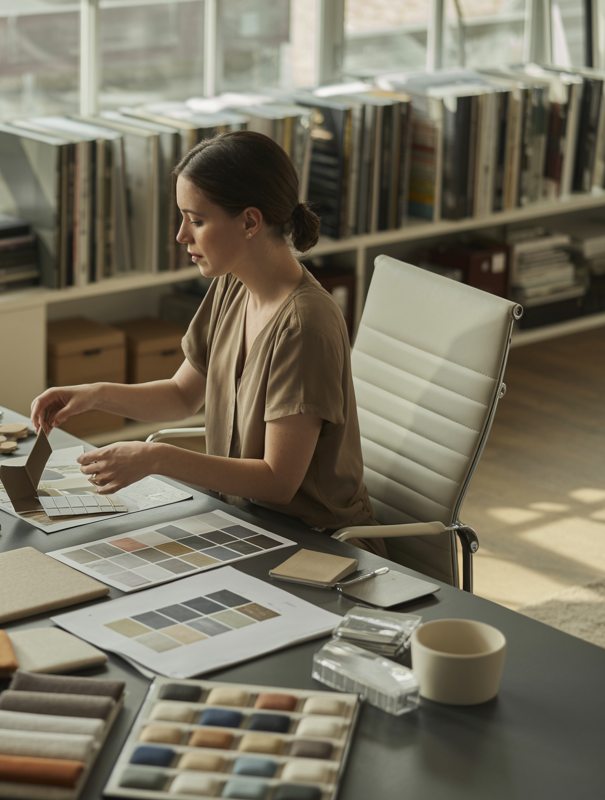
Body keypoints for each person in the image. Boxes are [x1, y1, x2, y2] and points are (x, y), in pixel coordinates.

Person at [29, 130, 383, 555]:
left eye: (196, 220)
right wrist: (94, 394)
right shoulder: (233, 284)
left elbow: (278, 481)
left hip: (318, 544)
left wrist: (156, 458)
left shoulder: (304, 326)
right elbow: (182, 395)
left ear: (250, 222)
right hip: (246, 523)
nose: (182, 235)